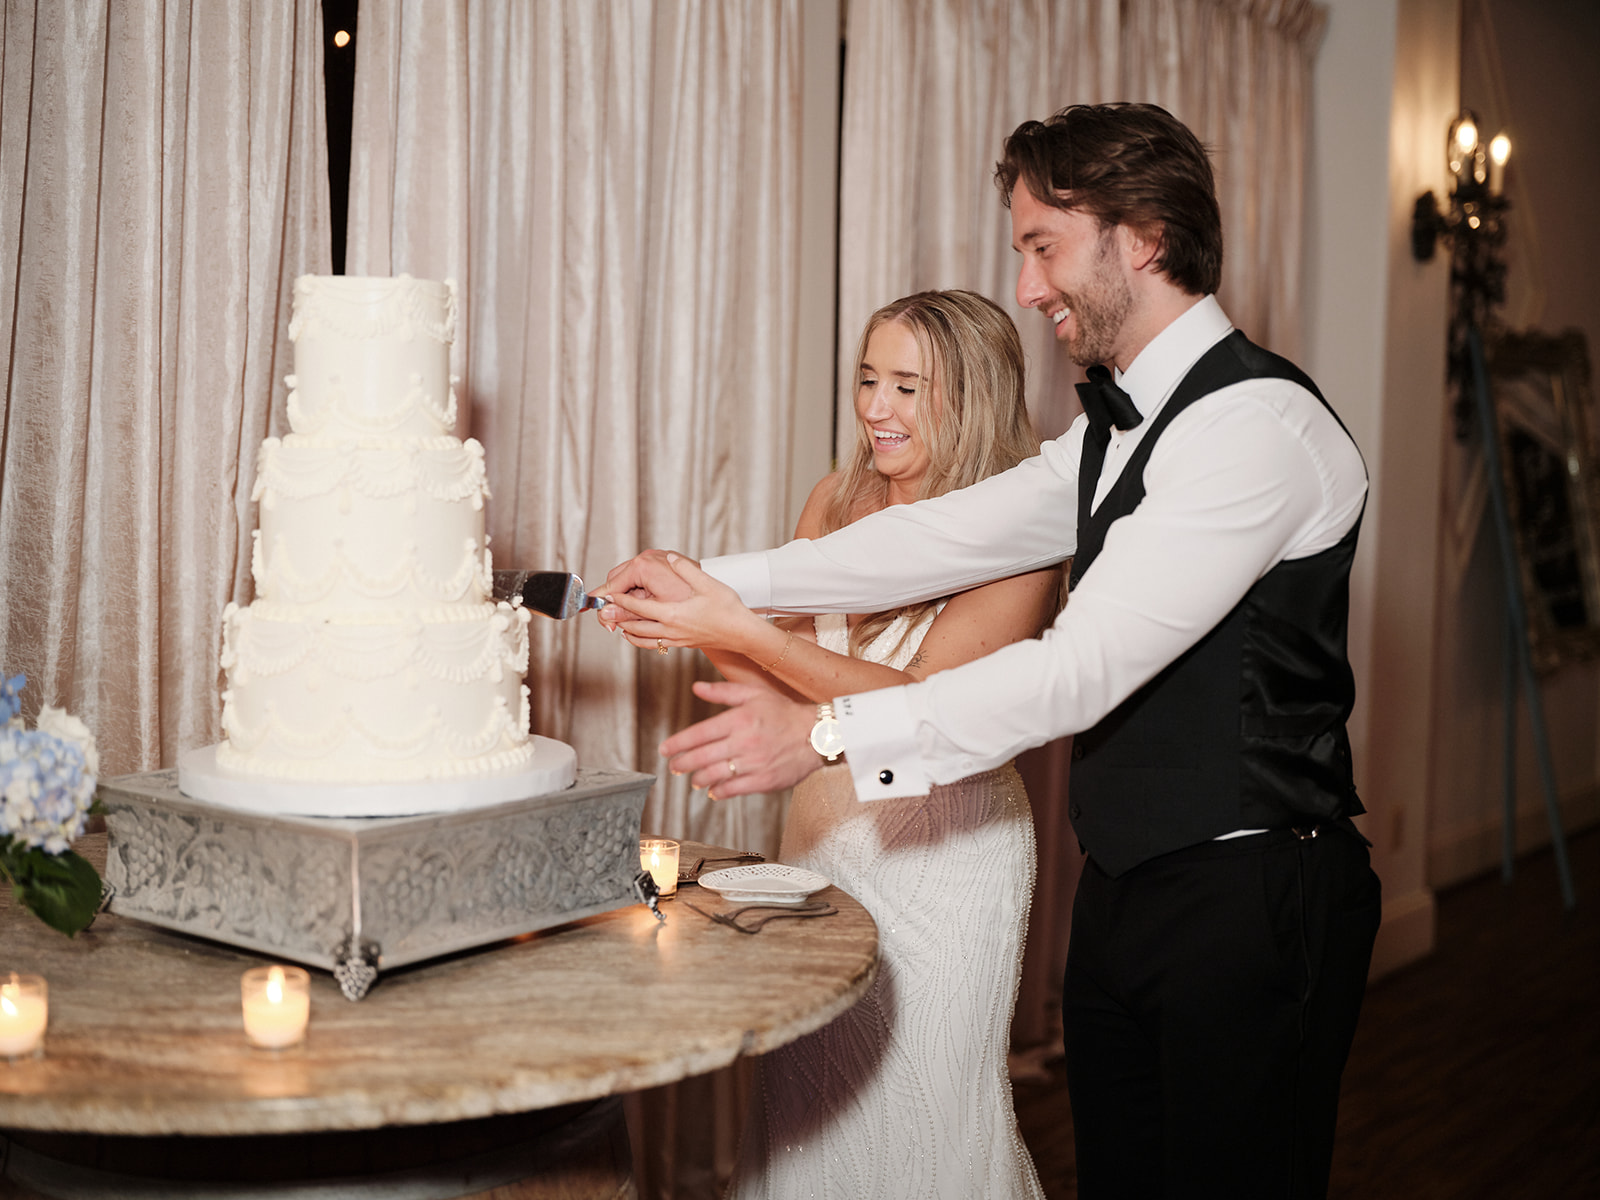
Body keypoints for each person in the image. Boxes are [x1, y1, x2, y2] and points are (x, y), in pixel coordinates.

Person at [605, 103, 1382, 1200]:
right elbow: (934, 538)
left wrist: (826, 732)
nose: (1026, 286)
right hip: (1123, 888)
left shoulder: (1255, 429)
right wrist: (709, 582)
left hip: (1251, 894)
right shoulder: (1110, 430)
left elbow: (1077, 671)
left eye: (1043, 247)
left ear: (1143, 238)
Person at [616, 289, 1058, 1199]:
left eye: (907, 386)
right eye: (867, 379)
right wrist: (683, 618)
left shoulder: (1024, 537)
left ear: (973, 396)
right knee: (806, 1117)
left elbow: (926, 701)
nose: (875, 407)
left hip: (947, 853)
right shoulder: (837, 497)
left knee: (928, 1115)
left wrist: (742, 625)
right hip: (824, 837)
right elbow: (789, 678)